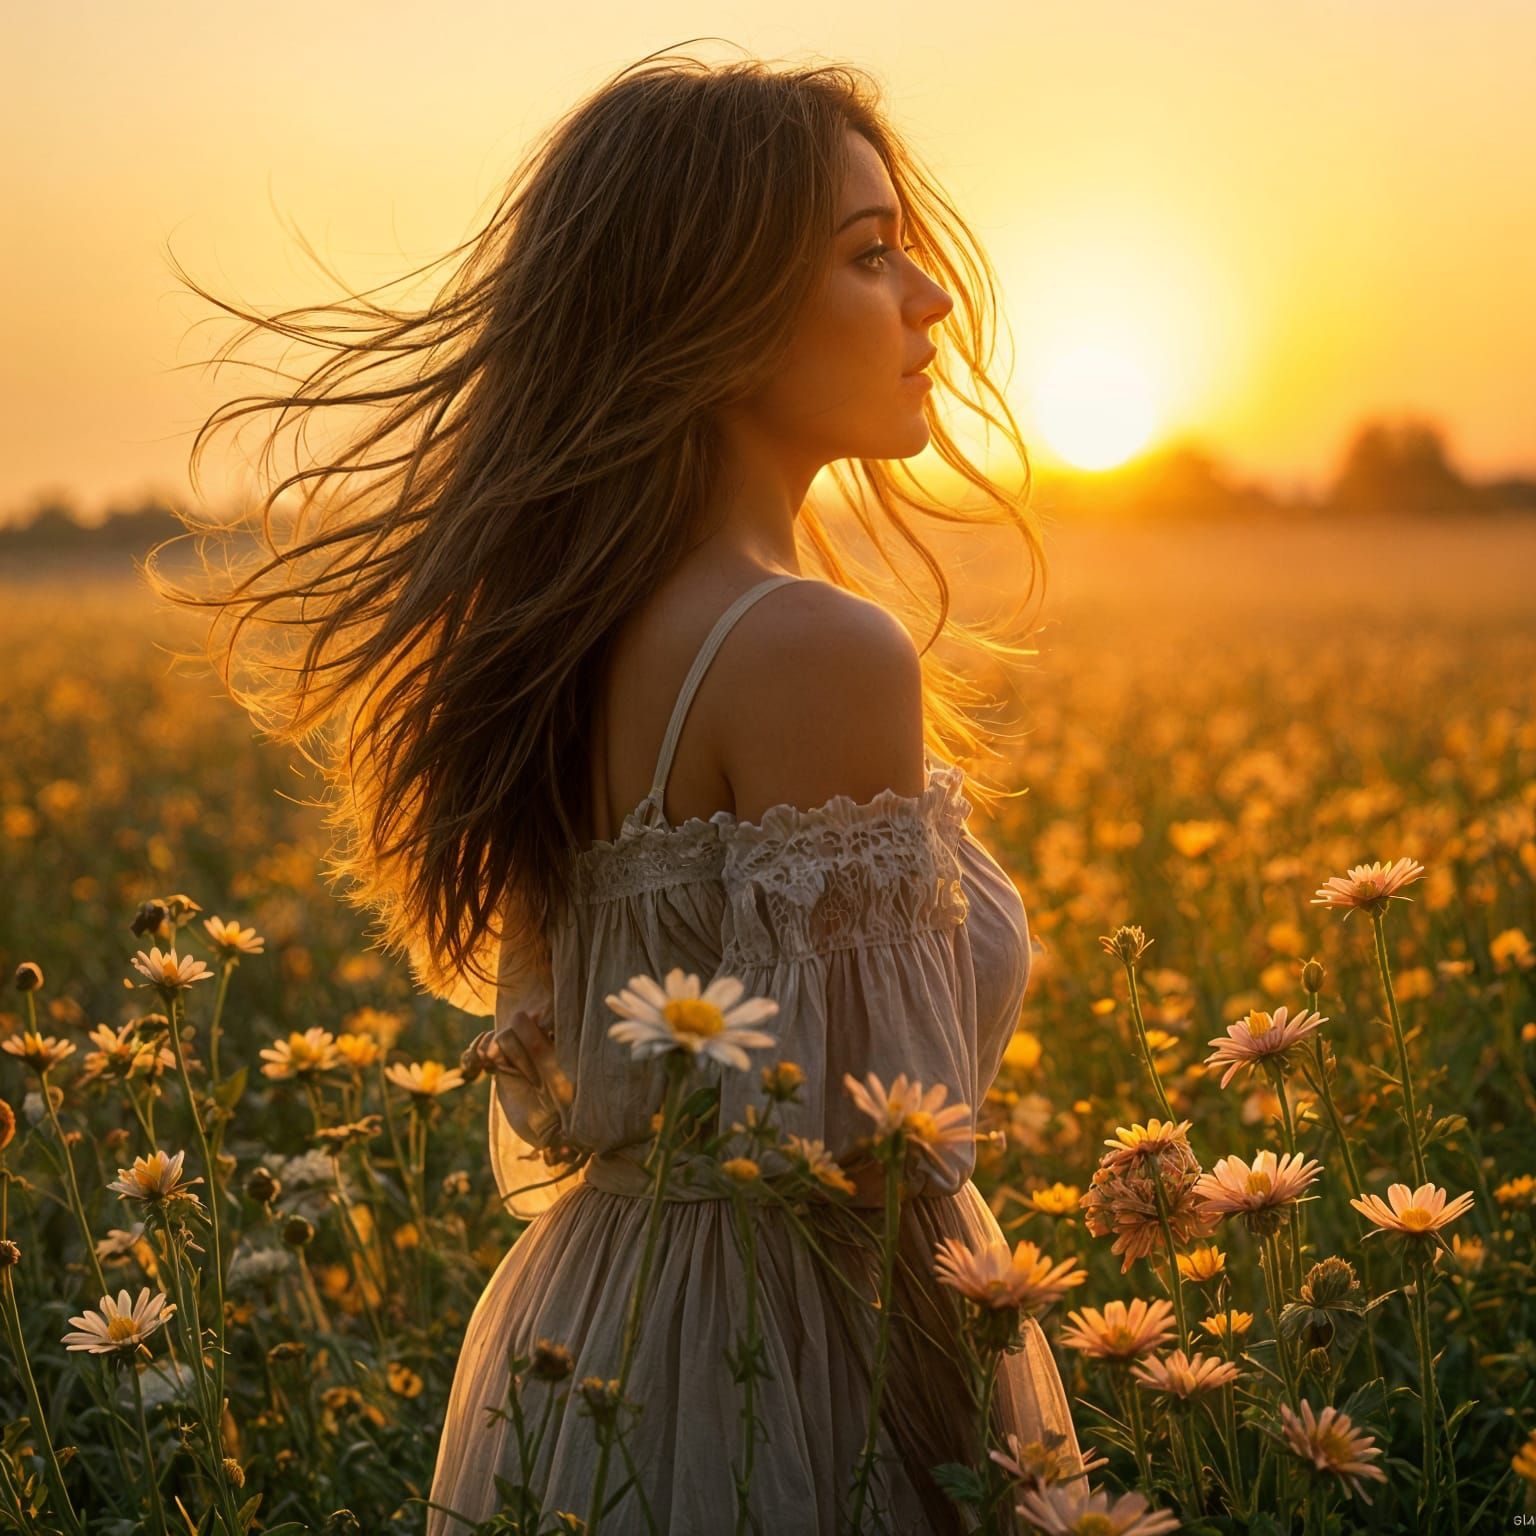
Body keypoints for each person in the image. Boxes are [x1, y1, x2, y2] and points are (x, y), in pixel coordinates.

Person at [151, 44, 1080, 1535]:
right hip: (796, 1367)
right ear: (709, 311)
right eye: (869, 256)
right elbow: (877, 1182)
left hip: (595, 1342)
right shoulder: (810, 647)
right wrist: (993, 1478)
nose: (932, 300)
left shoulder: (573, 634)